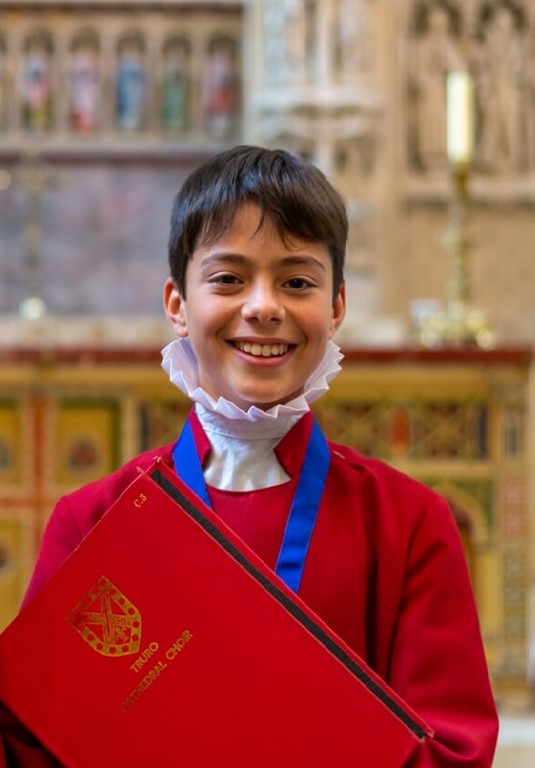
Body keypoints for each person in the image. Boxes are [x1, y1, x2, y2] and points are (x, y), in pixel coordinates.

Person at [1, 145, 498, 766]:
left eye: (297, 281)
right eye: (228, 278)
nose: (263, 306)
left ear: (337, 306)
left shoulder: (408, 524)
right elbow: (34, 739)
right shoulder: (93, 522)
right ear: (177, 304)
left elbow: (455, 749)